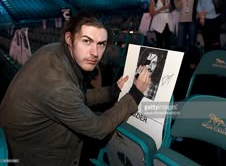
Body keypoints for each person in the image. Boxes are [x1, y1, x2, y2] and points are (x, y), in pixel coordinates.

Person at [0, 11, 151, 166]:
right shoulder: (58, 87)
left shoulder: (52, 50)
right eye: (87, 41)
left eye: (101, 44)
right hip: (37, 157)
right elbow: (99, 129)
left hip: (24, 143)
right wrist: (135, 93)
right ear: (69, 39)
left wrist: (113, 92)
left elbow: (77, 97)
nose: (95, 53)